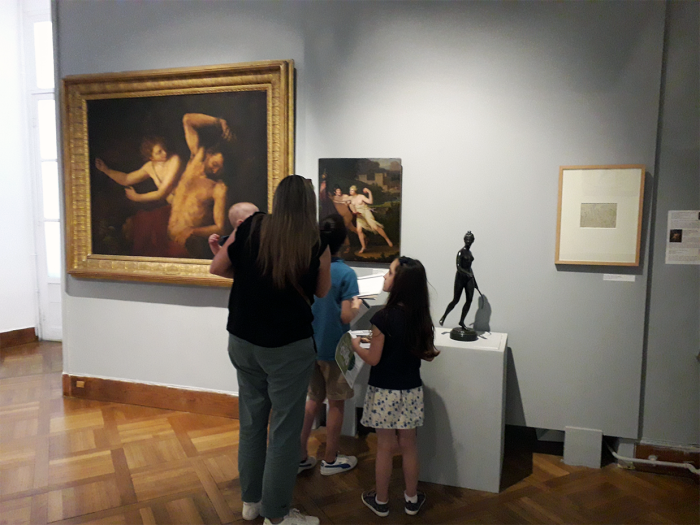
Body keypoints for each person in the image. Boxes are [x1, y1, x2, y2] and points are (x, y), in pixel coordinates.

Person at [209, 175, 331, 525]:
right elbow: (321, 291)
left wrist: (252, 275)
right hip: (288, 347)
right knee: (283, 430)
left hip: (243, 339)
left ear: (277, 199)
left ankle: (251, 503)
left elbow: (217, 267)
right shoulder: (315, 241)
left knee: (251, 422)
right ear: (308, 203)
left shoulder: (253, 225)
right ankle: (277, 515)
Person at [351, 256, 439, 517]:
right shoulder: (420, 318)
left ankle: (381, 500)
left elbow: (374, 358)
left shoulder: (383, 317)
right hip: (411, 390)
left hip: (382, 391)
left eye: (389, 273)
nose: (385, 277)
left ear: (400, 282)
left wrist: (356, 346)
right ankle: (411, 499)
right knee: (409, 445)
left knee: (385, 447)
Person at [299, 214, 362, 476]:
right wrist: (358, 305)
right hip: (336, 349)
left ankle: (300, 455)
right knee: (336, 403)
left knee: (312, 399)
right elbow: (346, 316)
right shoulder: (346, 273)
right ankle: (330, 458)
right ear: (343, 242)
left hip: (309, 345)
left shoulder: (307, 267)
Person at [94, 137, 183, 256]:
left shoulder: (174, 160)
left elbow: (162, 193)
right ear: (151, 157)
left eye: (163, 149)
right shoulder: (150, 167)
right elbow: (127, 179)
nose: (165, 153)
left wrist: (137, 197)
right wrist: (106, 170)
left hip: (184, 208)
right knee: (143, 226)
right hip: (173, 208)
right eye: (159, 152)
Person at [167, 113, 232, 257]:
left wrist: (192, 232)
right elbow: (187, 120)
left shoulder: (219, 188)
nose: (215, 170)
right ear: (209, 155)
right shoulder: (196, 158)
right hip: (167, 238)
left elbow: (221, 228)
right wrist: (218, 121)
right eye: (215, 164)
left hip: (186, 246)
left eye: (220, 169)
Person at [438, 231, 481, 330]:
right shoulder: (461, 252)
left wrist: (475, 282)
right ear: (464, 240)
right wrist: (467, 273)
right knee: (456, 300)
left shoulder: (470, 253)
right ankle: (444, 316)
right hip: (460, 278)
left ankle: (462, 320)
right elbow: (458, 267)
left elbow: (470, 269)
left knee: (469, 300)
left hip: (469, 279)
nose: (468, 241)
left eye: (470, 240)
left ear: (472, 241)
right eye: (467, 239)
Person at [347, 185, 393, 254]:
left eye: (352, 190)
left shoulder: (361, 196)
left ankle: (387, 239)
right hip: (359, 215)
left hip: (366, 212)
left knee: (375, 227)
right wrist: (354, 212)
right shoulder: (350, 199)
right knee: (359, 230)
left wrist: (369, 192)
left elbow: (370, 202)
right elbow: (351, 207)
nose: (350, 192)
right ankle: (363, 247)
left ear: (355, 191)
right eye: (350, 190)